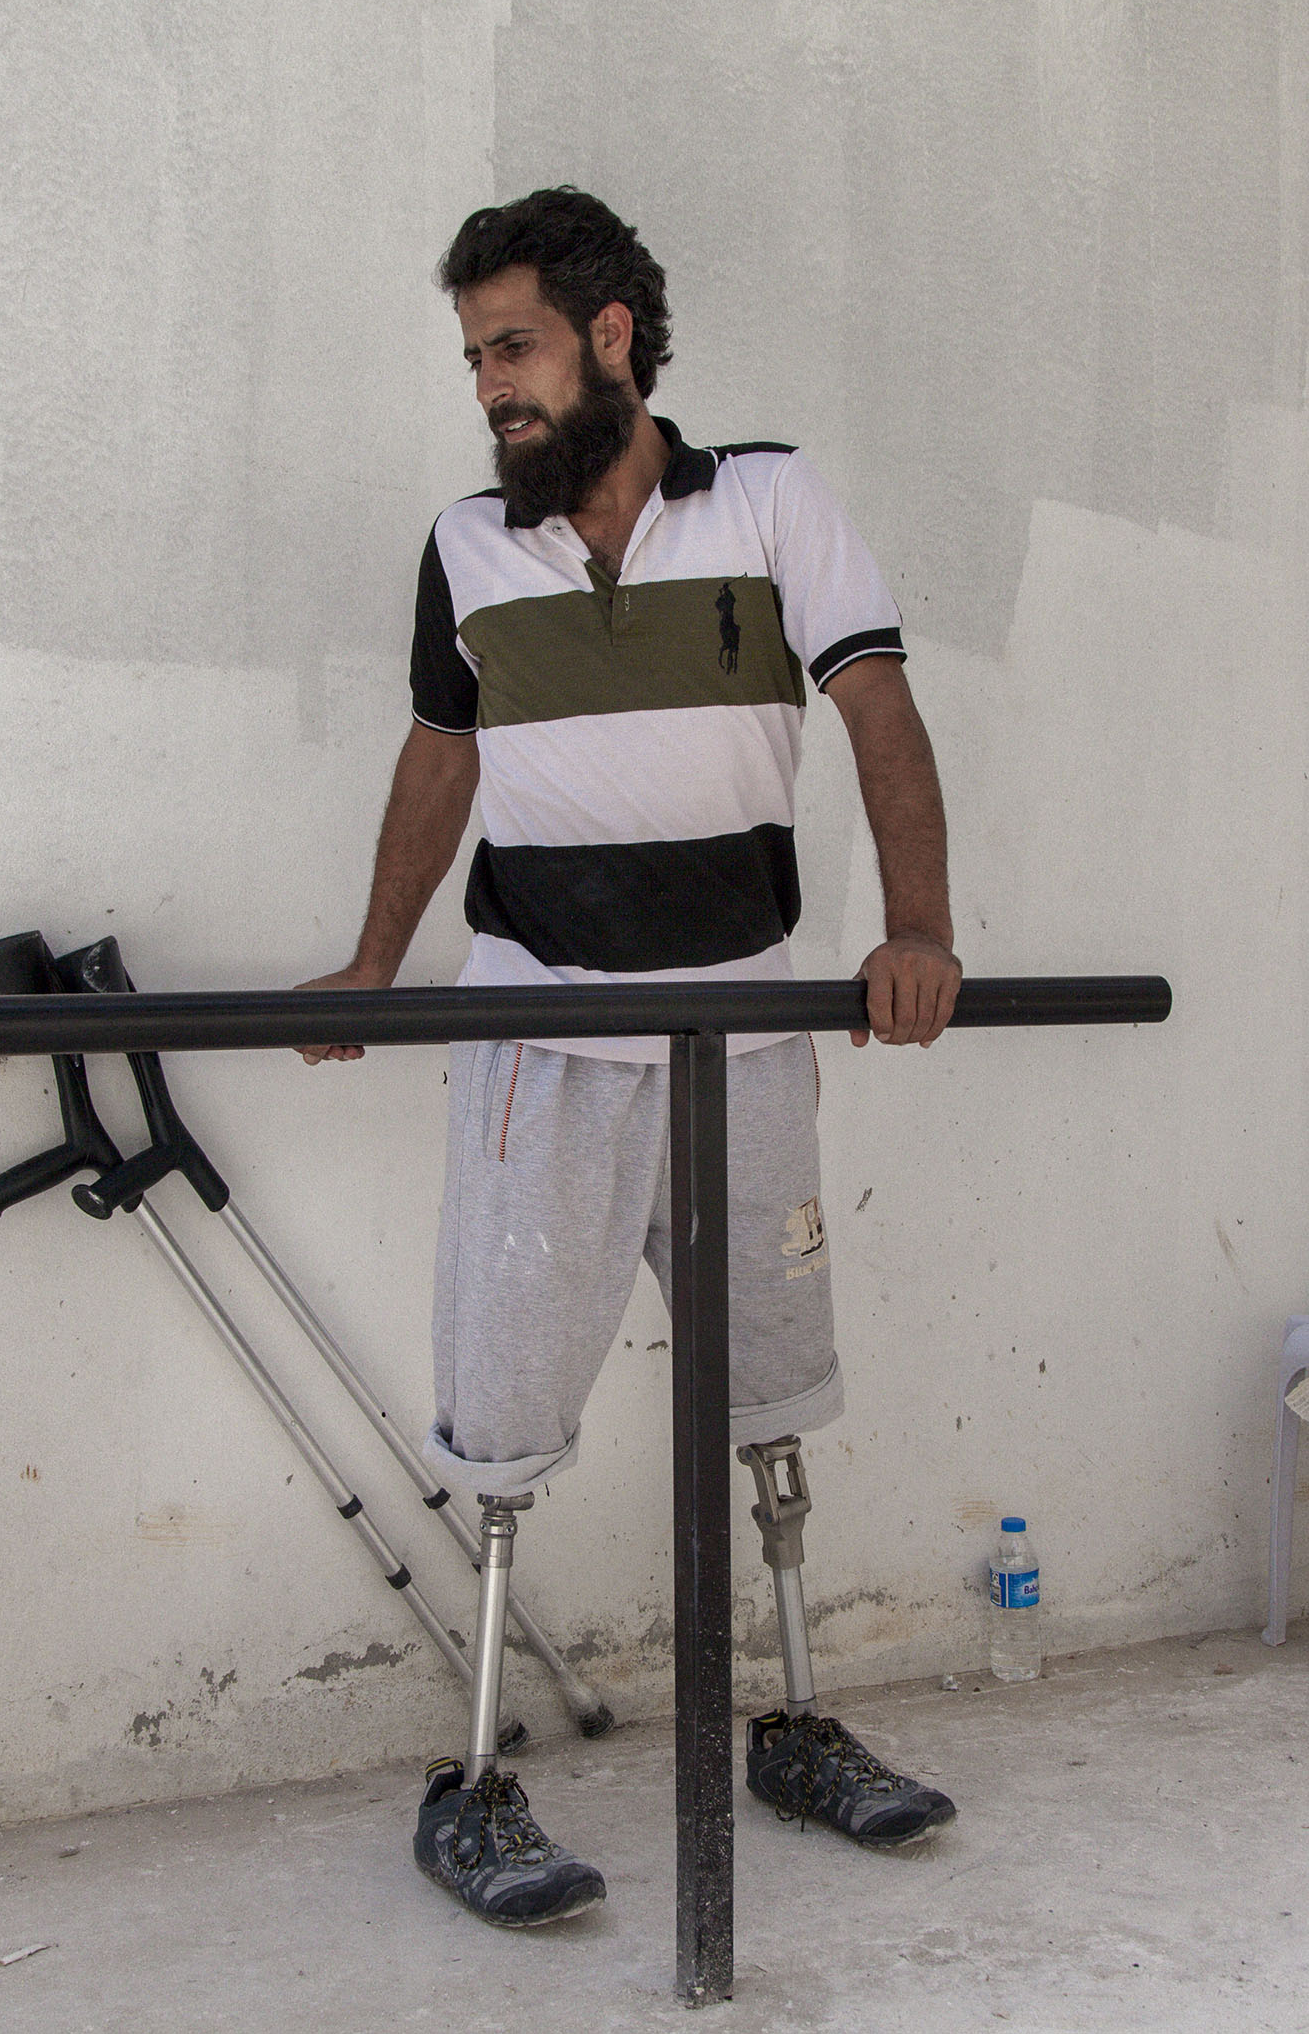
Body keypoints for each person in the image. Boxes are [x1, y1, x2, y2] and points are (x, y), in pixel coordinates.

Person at [297, 186, 962, 1928]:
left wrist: (920, 931)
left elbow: (878, 708)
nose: (491, 390)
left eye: (511, 349)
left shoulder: (770, 502)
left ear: (610, 338)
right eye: (472, 361)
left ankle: (797, 1724)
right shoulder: (466, 546)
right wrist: (374, 961)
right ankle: (475, 1783)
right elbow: (440, 761)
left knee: (772, 1380)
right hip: (545, 1033)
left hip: (744, 1025)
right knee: (506, 1399)